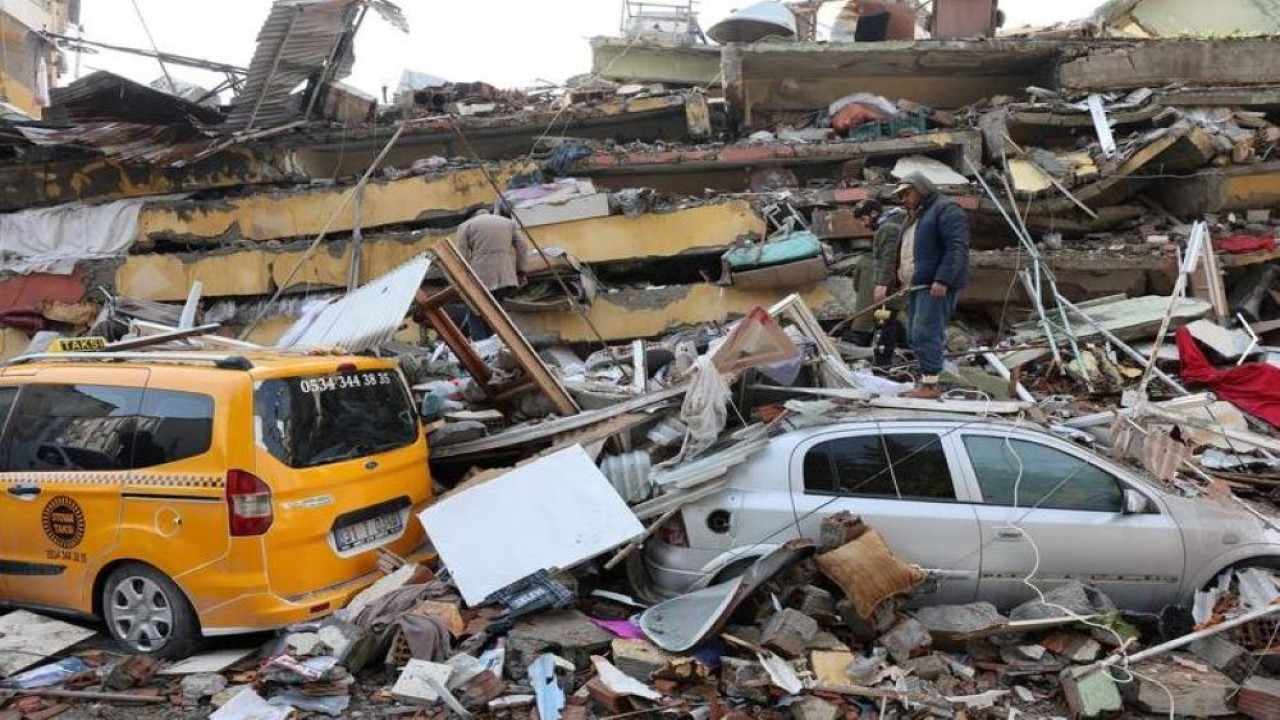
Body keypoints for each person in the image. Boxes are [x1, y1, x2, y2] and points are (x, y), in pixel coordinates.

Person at [890, 172, 970, 399]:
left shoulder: (946, 209)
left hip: (934, 284)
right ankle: (927, 381)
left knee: (926, 333)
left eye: (907, 193)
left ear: (921, 188)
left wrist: (943, 279)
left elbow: (957, 247)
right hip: (918, 285)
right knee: (916, 335)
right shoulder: (918, 215)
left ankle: (931, 386)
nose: (903, 199)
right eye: (901, 195)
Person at [456, 207, 531, 340]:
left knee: (475, 311)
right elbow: (522, 247)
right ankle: (499, 342)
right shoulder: (508, 223)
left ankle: (482, 346)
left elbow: (462, 255)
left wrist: (463, 277)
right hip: (506, 275)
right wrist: (521, 271)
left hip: (480, 276)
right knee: (498, 311)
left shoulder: (466, 226)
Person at [848, 198, 907, 345]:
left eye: (863, 219)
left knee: (887, 320)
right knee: (889, 319)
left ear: (874, 213)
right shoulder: (893, 224)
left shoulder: (888, 228)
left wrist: (882, 285)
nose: (864, 224)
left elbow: (889, 258)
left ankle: (886, 356)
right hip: (896, 283)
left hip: (892, 284)